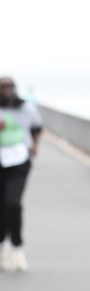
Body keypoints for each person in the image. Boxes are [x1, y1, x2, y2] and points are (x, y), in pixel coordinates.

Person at [0, 75, 43, 271]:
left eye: (9, 86)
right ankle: (2, 247)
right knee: (1, 205)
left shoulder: (26, 108)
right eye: (3, 87)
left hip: (19, 160)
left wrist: (35, 145)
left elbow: (37, 127)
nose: (6, 90)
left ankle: (17, 247)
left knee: (13, 203)